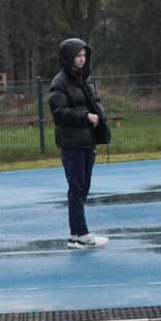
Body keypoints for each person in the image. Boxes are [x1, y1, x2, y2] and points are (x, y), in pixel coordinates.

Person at [49, 38, 110, 249]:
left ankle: (76, 235)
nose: (82, 59)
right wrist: (85, 117)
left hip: (87, 140)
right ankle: (81, 234)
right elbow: (59, 112)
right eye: (78, 56)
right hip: (71, 142)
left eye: (84, 55)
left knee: (84, 186)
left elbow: (95, 102)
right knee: (76, 187)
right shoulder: (59, 82)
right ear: (69, 57)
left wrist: (101, 118)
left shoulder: (86, 79)